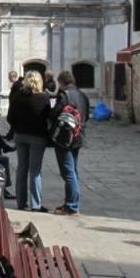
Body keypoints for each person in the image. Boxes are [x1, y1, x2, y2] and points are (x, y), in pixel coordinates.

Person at [6, 71, 51, 212]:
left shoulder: (18, 97)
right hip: (38, 137)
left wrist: (19, 125)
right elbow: (48, 117)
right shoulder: (44, 98)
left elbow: (9, 117)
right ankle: (35, 204)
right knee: (35, 170)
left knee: (21, 168)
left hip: (20, 136)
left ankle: (21, 202)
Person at [50, 70, 89, 215]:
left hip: (65, 137)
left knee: (68, 171)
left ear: (61, 83)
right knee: (73, 170)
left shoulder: (64, 95)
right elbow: (86, 117)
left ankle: (72, 205)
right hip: (78, 137)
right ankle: (71, 202)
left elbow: (55, 114)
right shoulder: (83, 95)